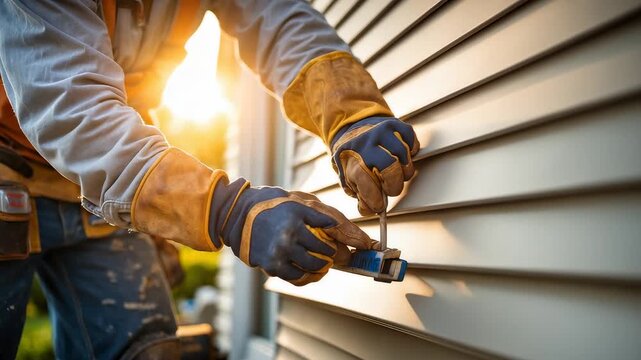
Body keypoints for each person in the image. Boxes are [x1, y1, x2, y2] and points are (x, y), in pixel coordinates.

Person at [0, 0, 420, 358]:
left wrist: (352, 114)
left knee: (148, 352)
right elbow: (69, 107)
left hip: (95, 189)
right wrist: (228, 210)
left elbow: (277, 17)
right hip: (11, 165)